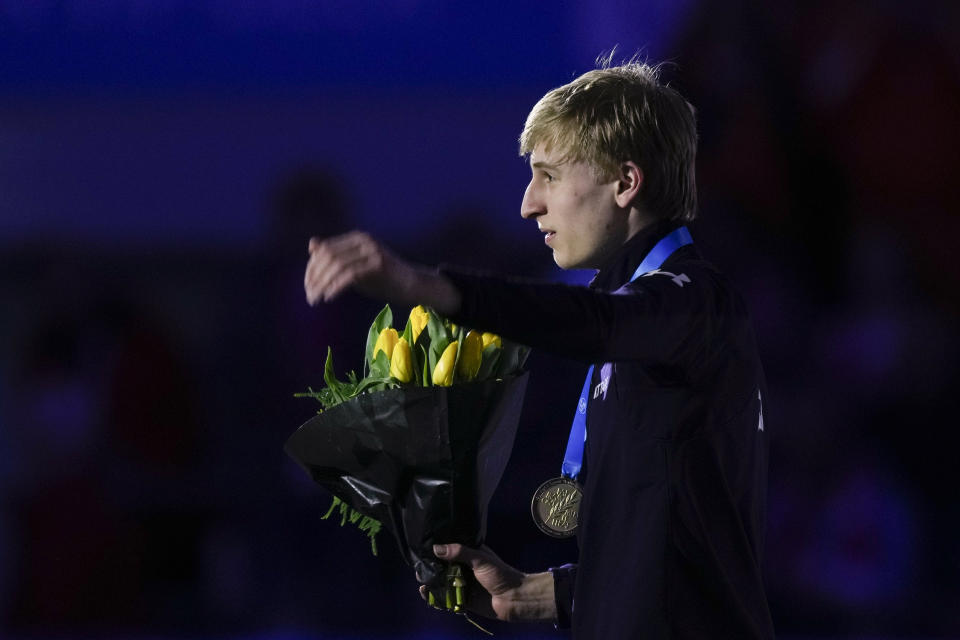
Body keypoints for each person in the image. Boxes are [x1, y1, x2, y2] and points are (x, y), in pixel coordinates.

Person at [303, 59, 775, 638]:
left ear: (626, 183)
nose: (528, 204)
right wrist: (530, 596)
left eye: (549, 176)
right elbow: (669, 545)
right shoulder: (642, 322)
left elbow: (596, 322)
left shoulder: (694, 303)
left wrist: (428, 287)